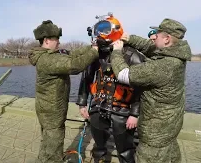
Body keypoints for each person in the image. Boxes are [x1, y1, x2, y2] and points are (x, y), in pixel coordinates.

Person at [110, 18, 192, 163]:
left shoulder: (165, 66)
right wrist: (129, 38)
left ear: (166, 39)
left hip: (155, 133)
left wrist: (116, 52)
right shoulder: (175, 54)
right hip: (170, 128)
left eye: (158, 35)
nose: (153, 37)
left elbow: (124, 74)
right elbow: (150, 47)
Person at [28, 20, 99, 163]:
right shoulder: (47, 59)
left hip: (48, 107)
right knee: (54, 138)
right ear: (47, 40)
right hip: (51, 110)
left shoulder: (52, 54)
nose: (59, 42)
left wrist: (91, 47)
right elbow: (75, 65)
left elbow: (72, 54)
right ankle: (52, 160)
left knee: (49, 137)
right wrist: (94, 52)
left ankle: (44, 158)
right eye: (56, 39)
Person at [77, 14, 144, 163]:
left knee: (125, 149)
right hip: (98, 107)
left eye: (104, 29)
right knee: (98, 146)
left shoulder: (132, 55)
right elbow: (86, 77)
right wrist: (82, 103)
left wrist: (134, 114)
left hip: (123, 111)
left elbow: (141, 87)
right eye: (98, 29)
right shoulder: (96, 54)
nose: (100, 33)